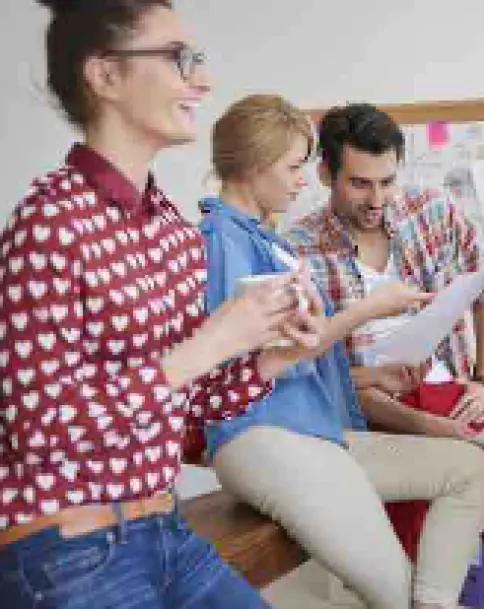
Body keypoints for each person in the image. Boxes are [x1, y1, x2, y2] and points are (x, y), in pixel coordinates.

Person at [0, 2, 314, 608]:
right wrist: (211, 343)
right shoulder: (48, 223)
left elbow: (191, 401)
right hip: (66, 547)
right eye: (178, 59)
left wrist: (269, 356)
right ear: (106, 75)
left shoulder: (171, 229)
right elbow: (38, 429)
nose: (204, 79)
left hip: (164, 527)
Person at [198, 93, 484, 609]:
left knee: (470, 468)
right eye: (293, 167)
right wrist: (368, 310)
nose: (301, 181)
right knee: (393, 592)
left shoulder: (266, 241)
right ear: (254, 165)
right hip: (271, 436)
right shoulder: (221, 240)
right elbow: (258, 364)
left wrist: (371, 379)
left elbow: (295, 358)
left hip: (318, 430)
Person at [283, 102, 484, 609]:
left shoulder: (431, 211)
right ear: (326, 173)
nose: (377, 200)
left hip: (452, 397)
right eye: (360, 184)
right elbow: (311, 371)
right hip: (372, 416)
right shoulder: (299, 249)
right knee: (407, 571)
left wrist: (483, 380)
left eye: (387, 182)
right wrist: (419, 423)